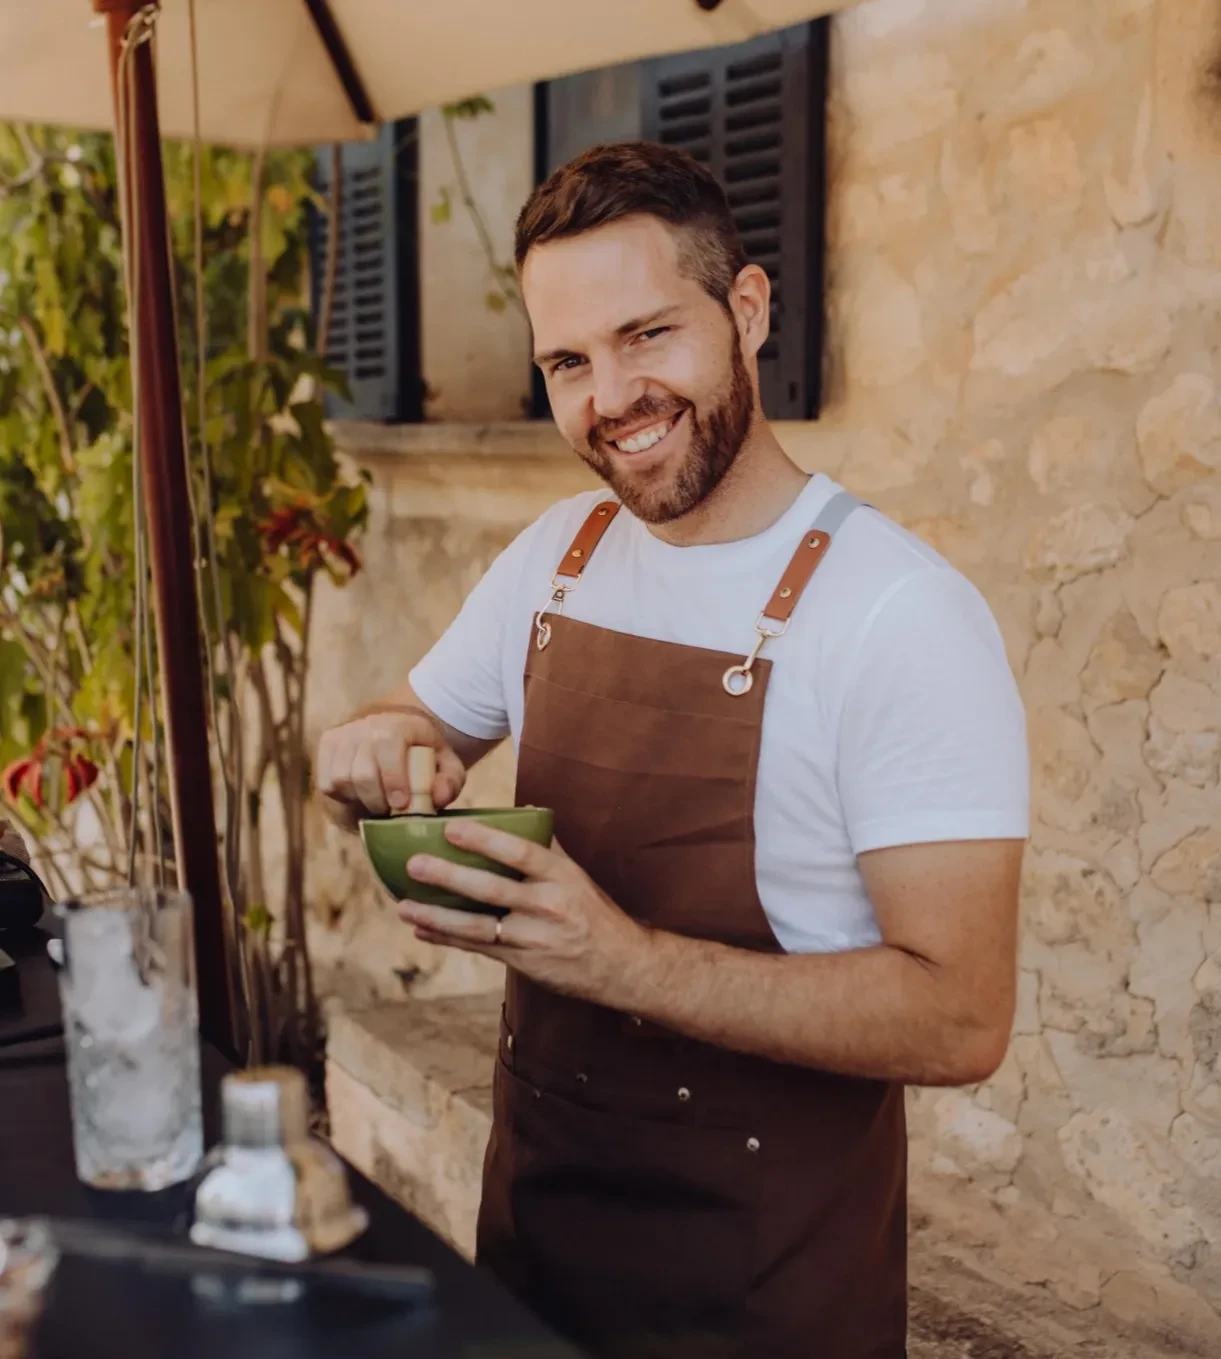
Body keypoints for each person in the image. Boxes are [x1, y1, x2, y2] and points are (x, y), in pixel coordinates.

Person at [316, 142, 1029, 1359]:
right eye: (568, 361)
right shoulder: (557, 554)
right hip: (536, 1233)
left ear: (746, 308)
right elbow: (405, 721)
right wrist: (376, 753)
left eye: (648, 335)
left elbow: (961, 1019)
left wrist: (624, 960)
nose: (611, 398)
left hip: (763, 1287)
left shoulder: (900, 614)